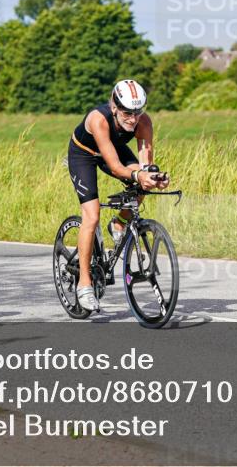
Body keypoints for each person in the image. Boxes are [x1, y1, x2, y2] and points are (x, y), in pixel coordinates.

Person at [67, 79, 169, 312]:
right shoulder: (98, 119)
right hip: (84, 154)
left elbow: (145, 165)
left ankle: (120, 222)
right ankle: (84, 283)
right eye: (126, 113)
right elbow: (114, 167)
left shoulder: (142, 122)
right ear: (114, 106)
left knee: (145, 183)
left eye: (137, 112)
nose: (133, 119)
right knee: (91, 217)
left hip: (112, 148)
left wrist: (153, 177)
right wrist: (138, 176)